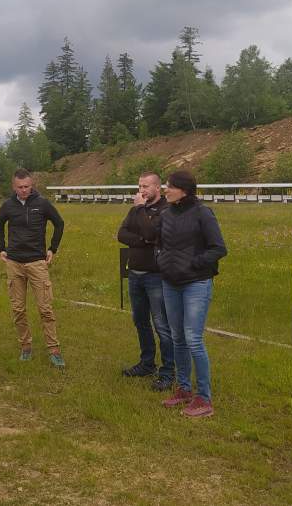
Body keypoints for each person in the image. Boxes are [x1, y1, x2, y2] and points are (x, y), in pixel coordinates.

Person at [156, 170, 227, 418]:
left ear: (183, 190)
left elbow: (219, 248)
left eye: (169, 187)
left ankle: (204, 398)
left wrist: (194, 264)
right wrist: (163, 262)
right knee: (177, 338)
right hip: (170, 283)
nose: (165, 190)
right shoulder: (166, 214)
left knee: (193, 339)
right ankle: (184, 389)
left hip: (196, 283)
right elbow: (160, 244)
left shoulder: (203, 213)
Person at [0, 168, 66, 368]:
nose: (24, 190)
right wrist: (0, 248)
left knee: (45, 309)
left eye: (27, 186)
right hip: (14, 263)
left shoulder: (42, 203)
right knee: (18, 309)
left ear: (31, 185)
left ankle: (54, 349)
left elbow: (59, 223)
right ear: (13, 186)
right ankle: (25, 347)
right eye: (20, 187)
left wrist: (53, 249)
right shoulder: (8, 205)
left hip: (37, 263)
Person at [116, 172, 174, 391]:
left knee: (162, 324)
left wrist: (141, 211)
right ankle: (147, 363)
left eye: (146, 186)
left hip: (156, 276)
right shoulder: (137, 209)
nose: (141, 190)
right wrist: (142, 240)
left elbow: (153, 233)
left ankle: (168, 371)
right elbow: (121, 234)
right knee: (140, 321)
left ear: (158, 188)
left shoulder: (166, 210)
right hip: (135, 274)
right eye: (140, 185)